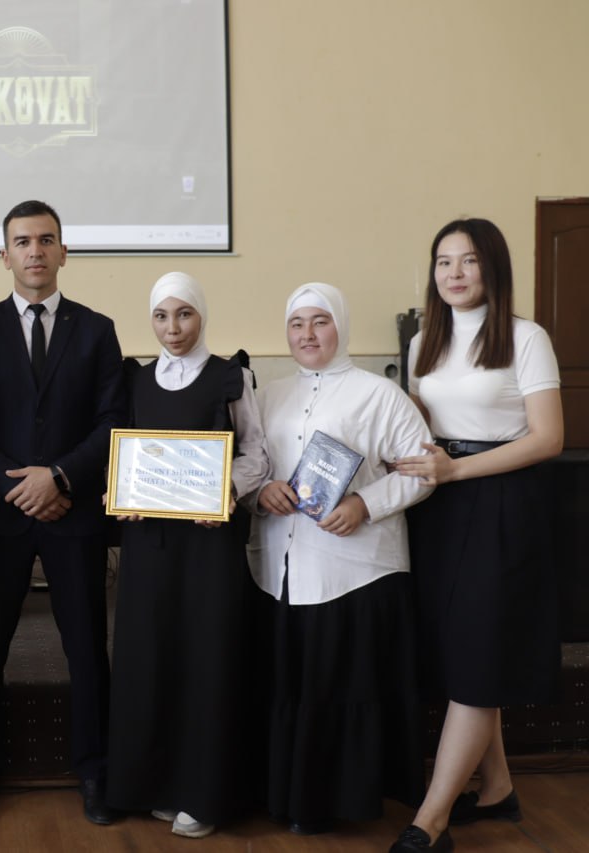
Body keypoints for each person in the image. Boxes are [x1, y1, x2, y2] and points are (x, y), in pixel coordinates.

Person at [389, 219, 563, 853]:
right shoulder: (423, 342)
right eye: (444, 261)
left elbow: (549, 438)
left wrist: (458, 469)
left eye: (468, 261)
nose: (454, 273)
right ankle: (496, 787)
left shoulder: (526, 337)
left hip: (501, 502)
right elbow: (417, 426)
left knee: (479, 654)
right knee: (460, 651)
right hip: (437, 505)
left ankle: (430, 820)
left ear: (493, 267)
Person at [0, 200, 126, 827]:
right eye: (22, 241)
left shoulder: (97, 329)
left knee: (86, 649)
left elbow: (112, 421)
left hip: (72, 511)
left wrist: (57, 477)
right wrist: (20, 486)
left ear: (63, 252)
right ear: (5, 255)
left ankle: (95, 772)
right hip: (2, 517)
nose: (35, 251)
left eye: (46, 240)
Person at [249, 282, 433, 837]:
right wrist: (260, 492)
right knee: (288, 686)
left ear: (341, 326)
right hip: (281, 569)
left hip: (354, 572)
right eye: (297, 323)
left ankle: (336, 802)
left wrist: (364, 504)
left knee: (340, 687)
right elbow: (250, 466)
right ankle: (287, 799)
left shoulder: (381, 395)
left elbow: (422, 470)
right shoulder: (268, 395)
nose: (307, 334)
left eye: (320, 321)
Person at [105, 272, 269, 839]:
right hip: (148, 546)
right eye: (161, 316)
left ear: (201, 316)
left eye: (184, 314)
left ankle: (203, 795)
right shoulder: (135, 377)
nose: (172, 328)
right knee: (151, 657)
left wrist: (225, 491)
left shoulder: (231, 376)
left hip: (208, 546)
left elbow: (257, 454)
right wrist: (120, 490)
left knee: (205, 660)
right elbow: (126, 451)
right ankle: (156, 784)